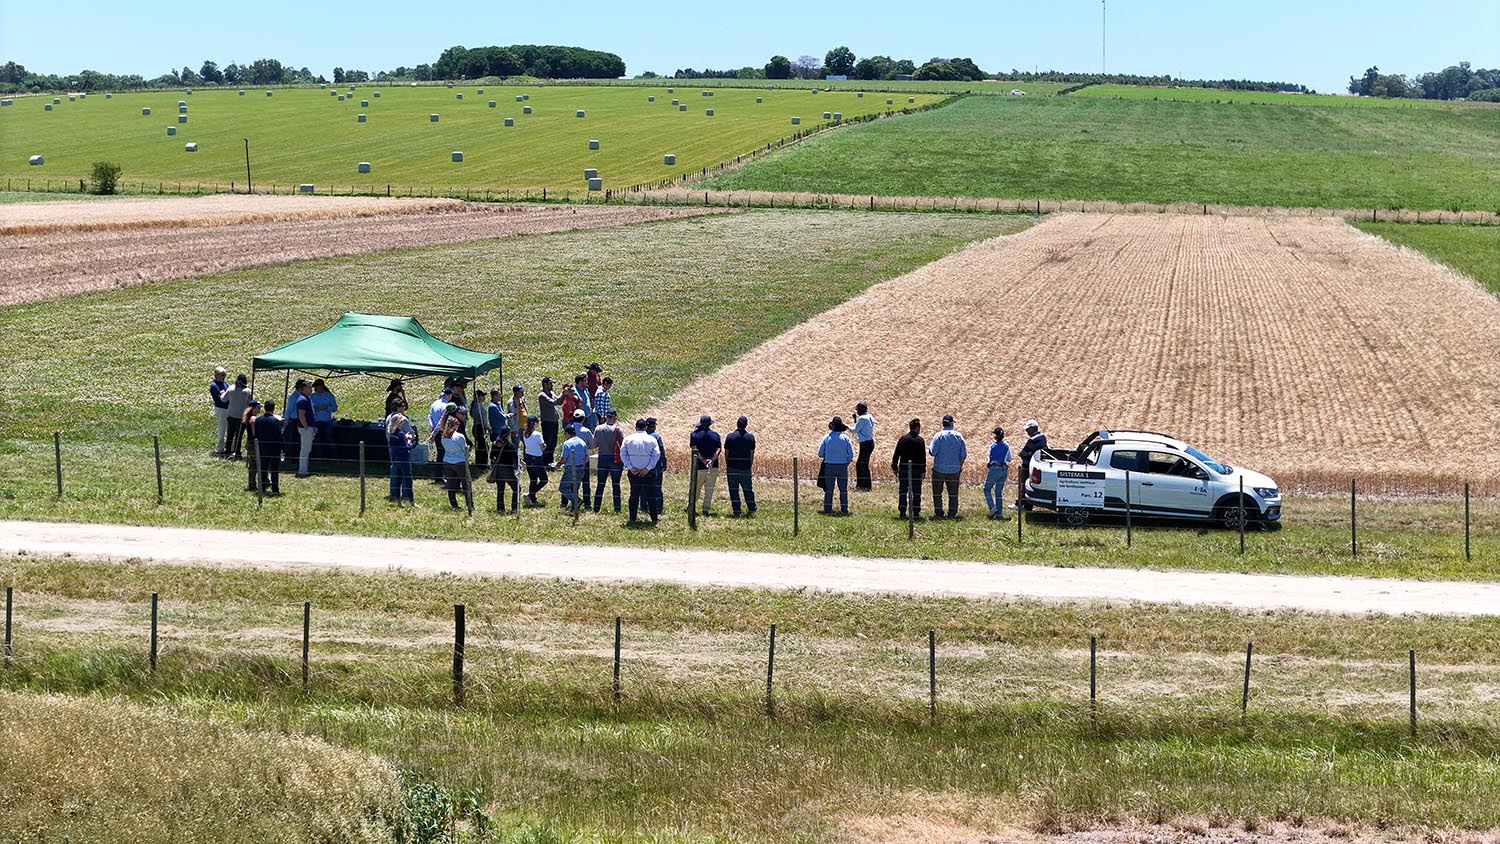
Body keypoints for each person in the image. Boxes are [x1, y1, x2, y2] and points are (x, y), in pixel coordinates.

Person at [621, 418, 662, 524]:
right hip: (648, 473)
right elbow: (657, 454)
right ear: (645, 427)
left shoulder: (628, 439)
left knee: (634, 495)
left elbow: (623, 454)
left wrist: (630, 466)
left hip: (633, 471)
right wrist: (648, 468)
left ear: (635, 427)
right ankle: (654, 518)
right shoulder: (651, 439)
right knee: (651, 496)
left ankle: (632, 518)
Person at [928, 414, 968, 519]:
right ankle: (952, 513)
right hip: (954, 469)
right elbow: (963, 455)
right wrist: (960, 466)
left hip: (939, 469)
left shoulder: (938, 436)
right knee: (953, 493)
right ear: (951, 423)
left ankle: (939, 512)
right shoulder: (958, 436)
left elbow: (932, 452)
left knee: (937, 492)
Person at [890, 418, 926, 520]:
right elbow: (922, 457)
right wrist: (923, 470)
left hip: (904, 469)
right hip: (916, 470)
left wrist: (894, 466)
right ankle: (916, 513)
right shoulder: (920, 440)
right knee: (916, 492)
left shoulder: (903, 439)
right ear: (917, 428)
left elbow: (896, 454)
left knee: (903, 491)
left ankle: (902, 512)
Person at [818, 416, 854, 515]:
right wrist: (846, 462)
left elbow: (820, 453)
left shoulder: (826, 438)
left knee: (829, 489)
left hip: (829, 465)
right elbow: (851, 455)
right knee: (843, 489)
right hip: (842, 466)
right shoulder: (845, 438)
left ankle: (827, 509)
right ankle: (844, 509)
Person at [723, 415, 757, 517]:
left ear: (737, 424)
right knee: (747, 489)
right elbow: (752, 453)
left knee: (733, 490)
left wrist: (728, 464)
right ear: (746, 425)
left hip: (732, 467)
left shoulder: (730, 436)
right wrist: (749, 465)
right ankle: (752, 508)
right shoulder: (750, 437)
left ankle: (737, 511)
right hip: (745, 468)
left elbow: (726, 453)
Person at [688, 415, 721, 516]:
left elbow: (694, 449)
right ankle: (706, 509)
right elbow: (718, 449)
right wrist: (711, 460)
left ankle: (691, 507)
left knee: (695, 487)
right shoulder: (716, 435)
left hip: (699, 466)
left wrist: (703, 460)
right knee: (709, 489)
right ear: (710, 424)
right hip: (713, 466)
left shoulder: (694, 435)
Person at [592, 410, 624, 513]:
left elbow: (595, 445)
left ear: (606, 417)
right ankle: (617, 509)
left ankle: (596, 508)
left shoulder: (598, 428)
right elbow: (621, 444)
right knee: (616, 485)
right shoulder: (618, 430)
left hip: (602, 457)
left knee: (600, 484)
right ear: (615, 417)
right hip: (614, 458)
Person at [386, 399, 416, 505]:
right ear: (398, 407)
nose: (404, 408)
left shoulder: (389, 418)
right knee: (406, 475)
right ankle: (407, 496)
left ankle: (394, 494)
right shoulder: (403, 420)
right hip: (402, 452)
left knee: (395, 471)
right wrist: (410, 438)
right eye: (403, 406)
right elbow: (409, 437)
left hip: (393, 450)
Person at [440, 415, 472, 510]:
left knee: (451, 484)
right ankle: (470, 504)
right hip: (459, 462)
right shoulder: (459, 436)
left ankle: (454, 504)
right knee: (466, 484)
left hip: (447, 461)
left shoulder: (443, 437)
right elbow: (464, 448)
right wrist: (468, 449)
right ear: (455, 426)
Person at [1016, 419, 1048, 511]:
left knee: (1024, 485)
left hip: (1027, 467)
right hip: (1038, 465)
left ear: (1034, 428)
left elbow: (1023, 453)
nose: (1026, 431)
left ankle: (1024, 505)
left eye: (1028, 429)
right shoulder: (1043, 437)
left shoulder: (1032, 440)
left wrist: (1022, 455)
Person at [556, 422, 590, 510]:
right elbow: (586, 457)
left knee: (563, 488)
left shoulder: (567, 443)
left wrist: (558, 464)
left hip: (570, 468)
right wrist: (583, 467)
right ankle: (574, 509)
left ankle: (577, 501)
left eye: (564, 434)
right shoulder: (582, 442)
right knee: (575, 489)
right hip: (581, 467)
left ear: (567, 433)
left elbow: (564, 458)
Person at [251, 400, 282, 495]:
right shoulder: (275, 421)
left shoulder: (258, 420)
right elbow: (279, 436)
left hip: (262, 447)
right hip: (274, 448)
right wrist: (283, 448)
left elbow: (255, 434)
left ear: (264, 408)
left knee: (263, 469)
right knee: (274, 470)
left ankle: (262, 487)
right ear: (273, 408)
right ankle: (275, 489)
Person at [489, 419, 520, 510]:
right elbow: (516, 457)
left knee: (500, 490)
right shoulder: (509, 445)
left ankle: (500, 509)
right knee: (516, 488)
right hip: (507, 470)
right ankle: (514, 508)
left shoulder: (495, 444)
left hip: (498, 470)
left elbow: (491, 456)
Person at [985, 427, 1013, 520]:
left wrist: (989, 464)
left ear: (995, 436)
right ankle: (999, 513)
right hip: (1004, 469)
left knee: (987, 489)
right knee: (998, 492)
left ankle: (992, 508)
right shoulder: (1006, 446)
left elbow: (990, 458)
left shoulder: (993, 446)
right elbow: (1009, 459)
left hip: (994, 469)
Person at [223, 374, 253, 460]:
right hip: (241, 417)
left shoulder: (231, 388)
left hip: (231, 415)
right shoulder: (248, 391)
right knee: (238, 436)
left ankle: (227, 451)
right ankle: (237, 452)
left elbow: (223, 399)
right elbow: (250, 404)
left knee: (230, 434)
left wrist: (222, 393)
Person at [291, 379, 316, 478]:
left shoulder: (307, 399)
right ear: (303, 388)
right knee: (305, 450)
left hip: (309, 427)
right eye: (309, 387)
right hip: (305, 428)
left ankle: (304, 469)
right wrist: (307, 427)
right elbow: (301, 415)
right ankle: (303, 471)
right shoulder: (302, 400)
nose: (311, 390)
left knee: (307, 449)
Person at [310, 379, 338, 461]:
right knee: (316, 440)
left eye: (318, 386)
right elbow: (309, 408)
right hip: (316, 421)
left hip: (327, 421)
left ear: (322, 386)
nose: (316, 388)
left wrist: (327, 408)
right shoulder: (312, 396)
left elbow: (335, 408)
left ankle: (334, 457)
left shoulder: (329, 396)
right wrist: (316, 408)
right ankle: (318, 457)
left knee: (330, 439)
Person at [522, 417, 548, 506]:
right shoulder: (537, 434)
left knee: (533, 479)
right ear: (534, 423)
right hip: (537, 459)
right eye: (537, 422)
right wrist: (545, 445)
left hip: (528, 458)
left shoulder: (525, 433)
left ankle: (533, 499)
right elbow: (542, 447)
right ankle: (530, 494)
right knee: (544, 479)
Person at [537, 377, 561, 462]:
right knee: (547, 441)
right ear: (545, 384)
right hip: (547, 422)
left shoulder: (552, 393)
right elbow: (552, 402)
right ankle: (545, 460)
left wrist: (565, 394)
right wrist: (562, 394)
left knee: (553, 442)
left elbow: (559, 402)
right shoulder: (542, 395)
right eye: (550, 383)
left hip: (554, 421)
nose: (552, 385)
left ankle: (550, 459)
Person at [853, 402, 875, 491]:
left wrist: (845, 426)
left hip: (865, 444)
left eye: (857, 409)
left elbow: (854, 430)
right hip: (870, 443)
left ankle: (866, 486)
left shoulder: (862, 419)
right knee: (861, 464)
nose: (857, 411)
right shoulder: (869, 417)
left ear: (860, 410)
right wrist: (856, 420)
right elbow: (862, 427)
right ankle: (861, 485)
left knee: (862, 465)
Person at [646, 417, 666, 515]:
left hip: (644, 464)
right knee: (657, 486)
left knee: (643, 486)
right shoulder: (656, 436)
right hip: (656, 464)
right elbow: (661, 451)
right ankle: (658, 507)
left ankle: (644, 506)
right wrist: (664, 463)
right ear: (653, 426)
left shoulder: (643, 436)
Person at [241, 400, 262, 490]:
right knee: (255, 465)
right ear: (253, 408)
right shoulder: (253, 419)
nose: (259, 409)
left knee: (252, 464)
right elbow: (254, 433)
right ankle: (252, 484)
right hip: (254, 444)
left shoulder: (248, 417)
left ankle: (252, 483)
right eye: (258, 408)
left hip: (249, 443)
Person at [209, 366, 230, 455]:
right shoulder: (214, 385)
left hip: (228, 408)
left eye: (225, 374)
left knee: (229, 429)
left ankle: (228, 446)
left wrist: (224, 393)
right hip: (221, 409)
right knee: (222, 429)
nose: (224, 376)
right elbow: (221, 398)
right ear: (217, 375)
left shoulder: (225, 383)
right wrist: (225, 394)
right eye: (222, 375)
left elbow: (228, 392)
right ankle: (220, 449)